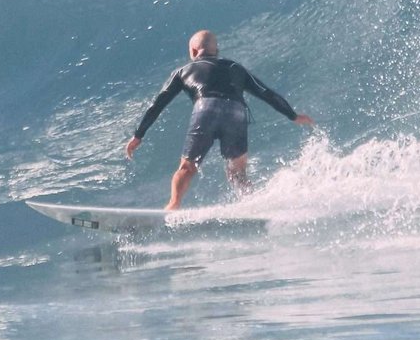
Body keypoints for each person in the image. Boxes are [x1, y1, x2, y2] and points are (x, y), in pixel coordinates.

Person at [125, 29, 313, 209]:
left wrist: (138, 135)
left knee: (187, 167)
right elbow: (266, 92)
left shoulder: (183, 71)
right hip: (236, 113)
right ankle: (251, 206)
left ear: (193, 51)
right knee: (237, 172)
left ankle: (173, 205)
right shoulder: (235, 68)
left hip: (205, 110)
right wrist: (293, 115)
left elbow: (158, 104)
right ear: (217, 51)